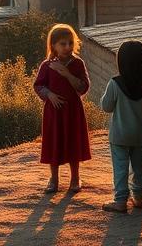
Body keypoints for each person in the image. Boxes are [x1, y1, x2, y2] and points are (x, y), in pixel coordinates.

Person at [33, 23, 92, 194]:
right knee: (54, 142)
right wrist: (49, 95)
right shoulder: (47, 65)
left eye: (70, 43)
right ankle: (54, 178)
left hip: (73, 111)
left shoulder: (77, 64)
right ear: (53, 45)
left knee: (73, 141)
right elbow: (38, 85)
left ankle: (75, 178)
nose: (67, 47)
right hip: (54, 112)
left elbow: (83, 87)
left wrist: (66, 73)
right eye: (63, 44)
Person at [100, 40, 142, 213]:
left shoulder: (115, 83)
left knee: (121, 167)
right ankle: (139, 197)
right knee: (139, 166)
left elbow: (106, 107)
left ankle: (120, 200)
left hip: (120, 135)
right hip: (141, 134)